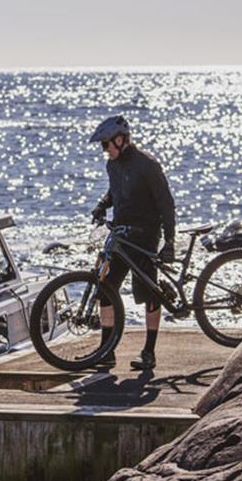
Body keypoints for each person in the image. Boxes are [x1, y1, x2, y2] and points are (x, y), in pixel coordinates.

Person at [88, 116, 176, 371]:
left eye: (106, 145)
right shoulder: (112, 166)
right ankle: (106, 351)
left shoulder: (147, 165)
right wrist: (102, 206)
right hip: (122, 236)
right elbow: (114, 192)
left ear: (120, 140)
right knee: (106, 288)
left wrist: (169, 241)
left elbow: (166, 203)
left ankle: (149, 352)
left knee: (148, 292)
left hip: (145, 236)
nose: (104, 150)